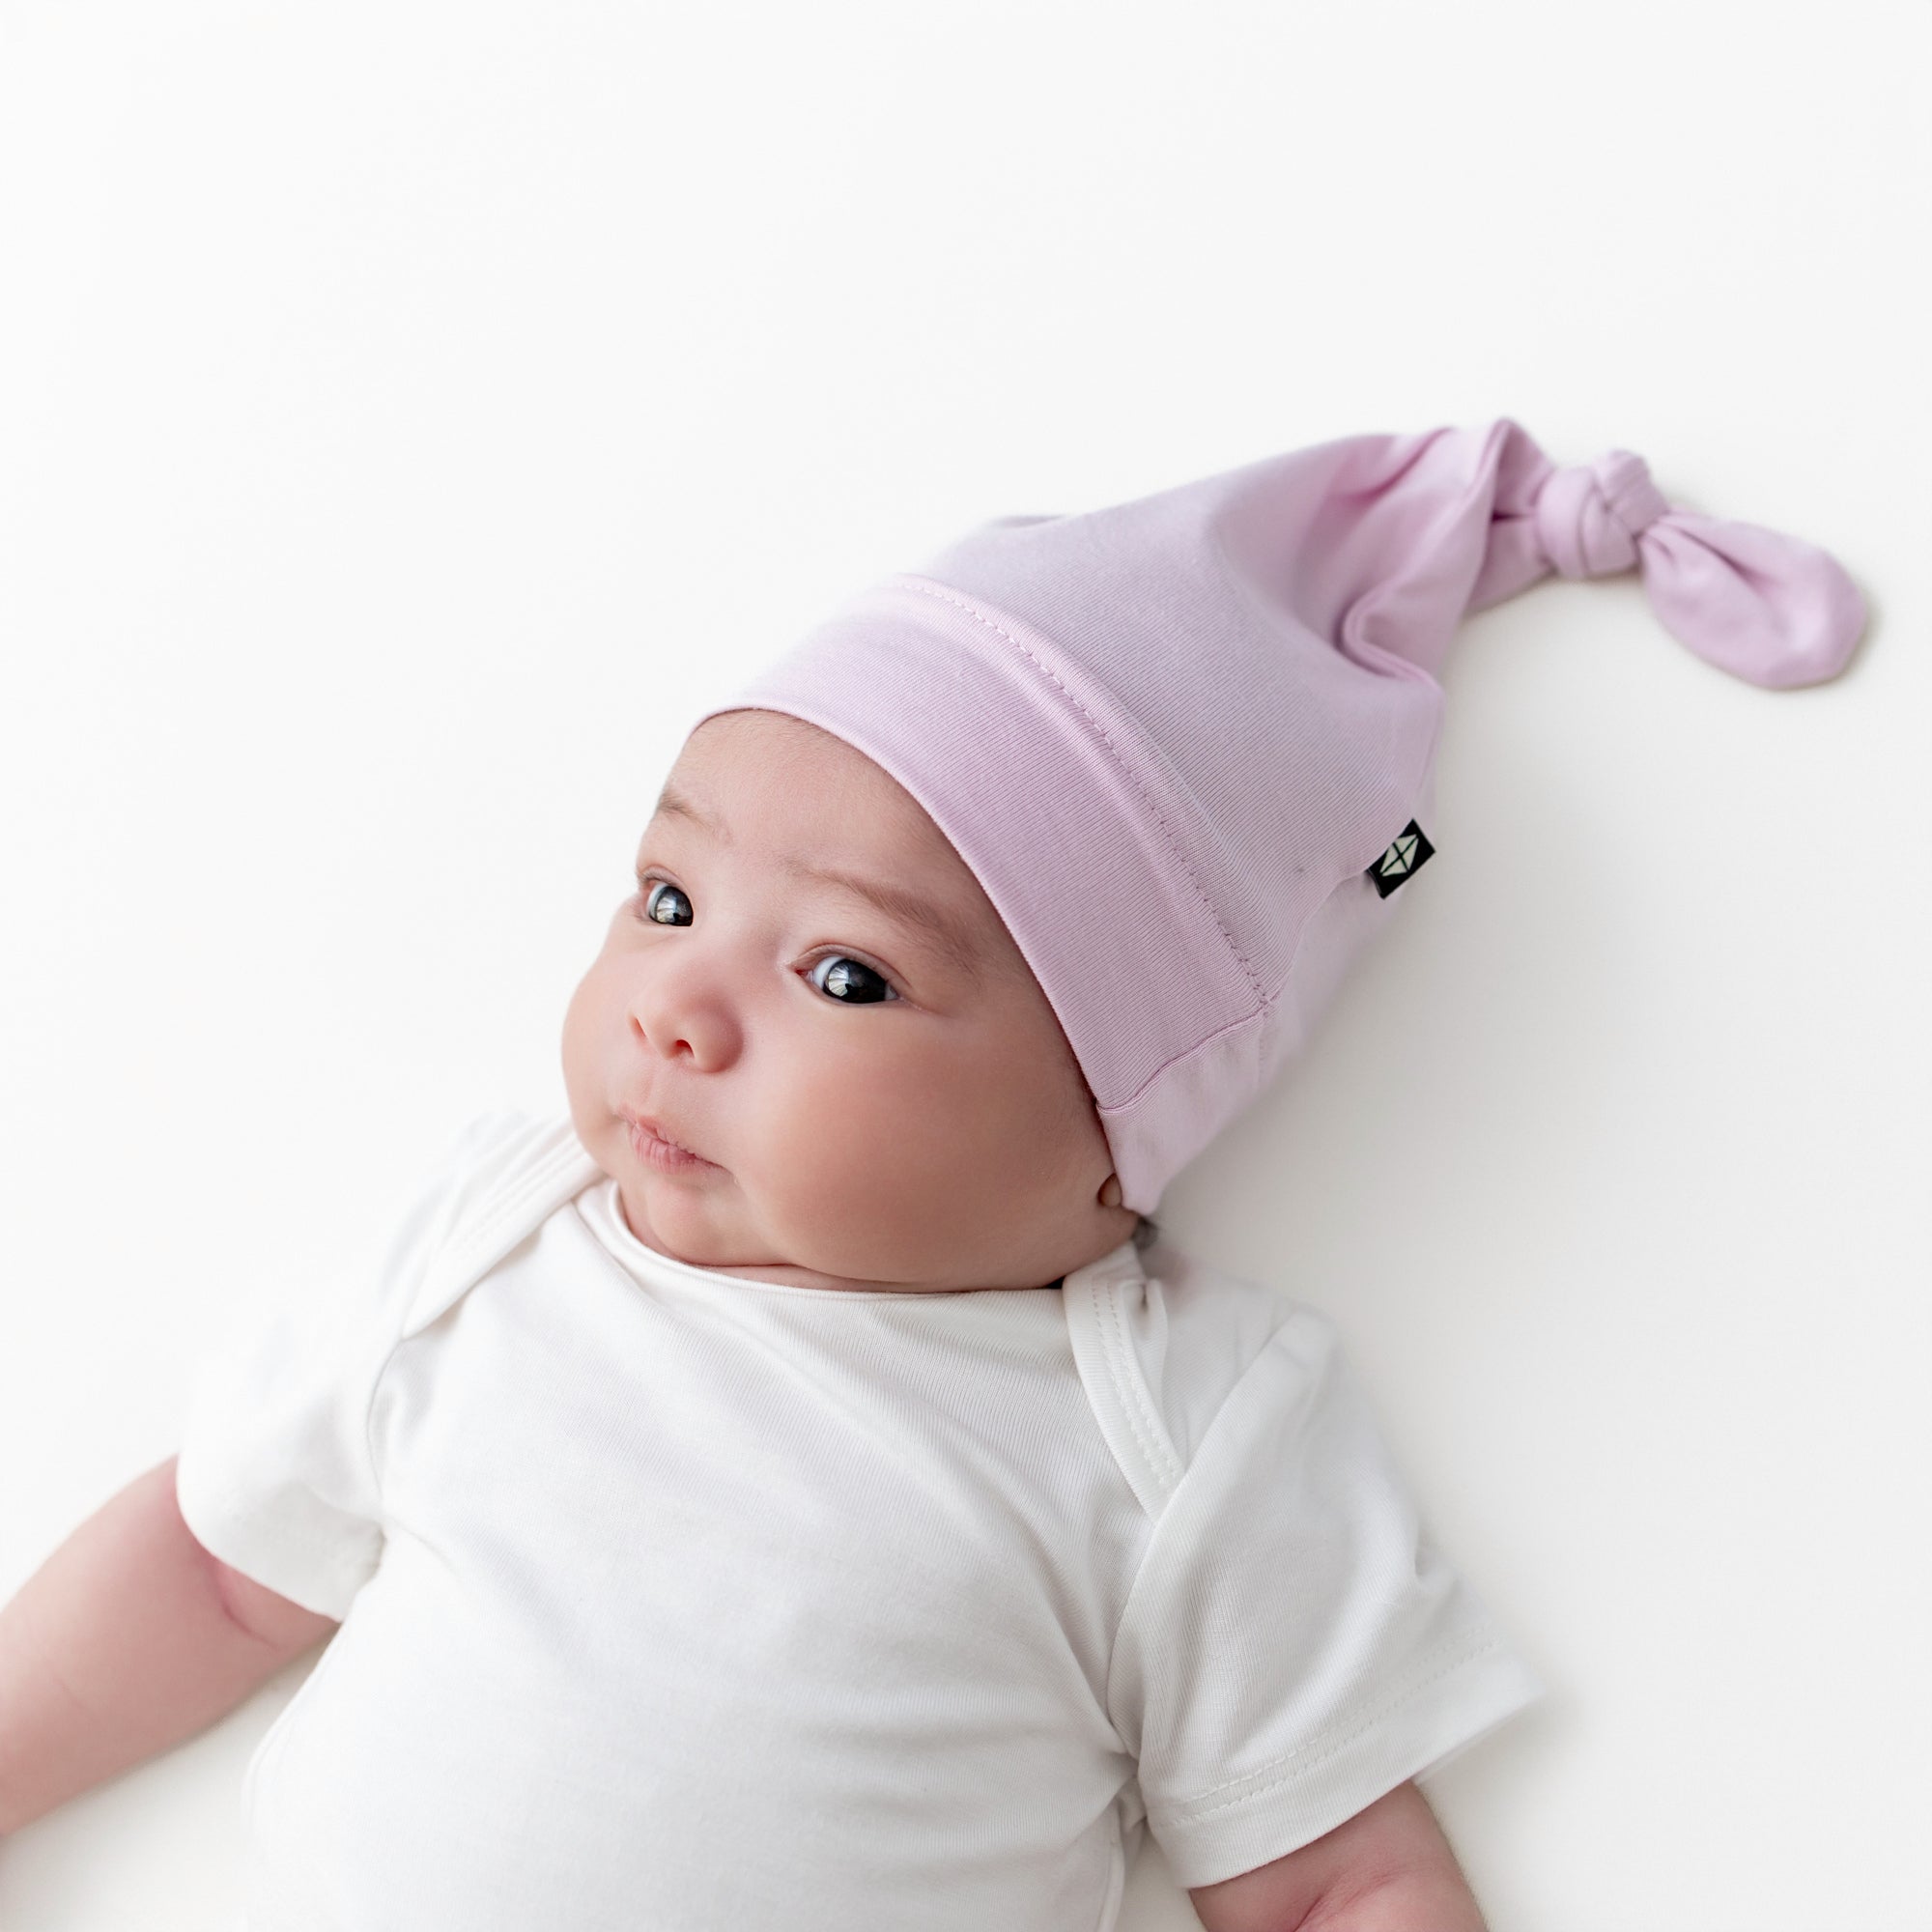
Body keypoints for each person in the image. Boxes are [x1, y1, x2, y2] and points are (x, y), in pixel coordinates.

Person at [0, 419, 1864, 1929]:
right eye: (669, 898)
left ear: (1108, 1128)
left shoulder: (1162, 1432)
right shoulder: (499, 1250)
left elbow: (1331, 1879)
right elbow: (217, 1563)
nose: (676, 1008)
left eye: (846, 975)